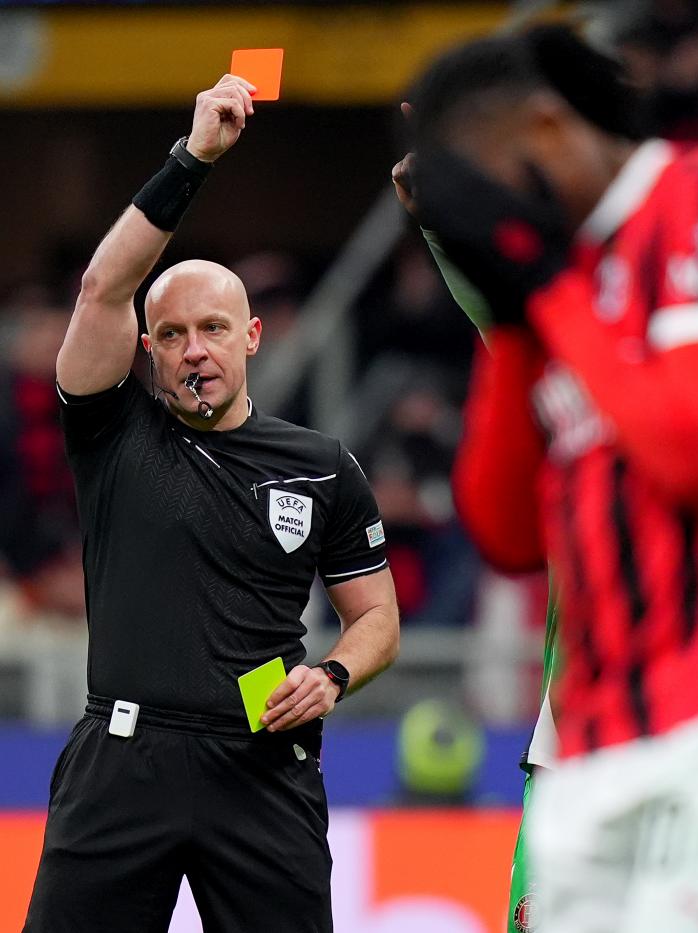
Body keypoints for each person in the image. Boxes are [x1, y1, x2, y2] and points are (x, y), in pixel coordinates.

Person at [404, 26, 698, 932]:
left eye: (494, 179)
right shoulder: (558, 285)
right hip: (593, 734)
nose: (497, 213)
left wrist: (542, 289)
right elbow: (506, 532)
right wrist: (514, 304)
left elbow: (689, 449)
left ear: (546, 128)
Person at [24, 75, 401, 933]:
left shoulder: (321, 465)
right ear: (147, 349)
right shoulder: (112, 431)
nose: (196, 351)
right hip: (122, 763)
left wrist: (333, 674)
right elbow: (100, 290)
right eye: (173, 335)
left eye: (215, 330)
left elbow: (376, 613)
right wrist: (193, 158)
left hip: (263, 769)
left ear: (253, 337)